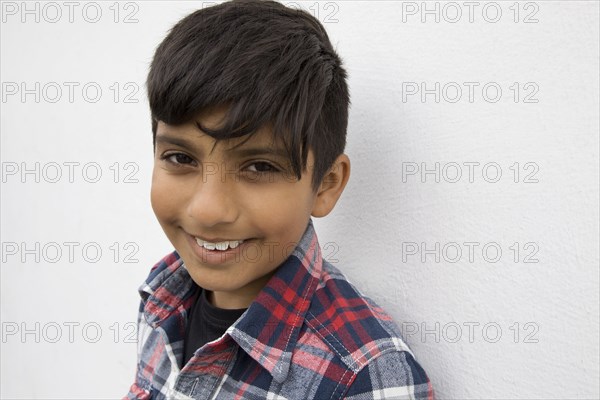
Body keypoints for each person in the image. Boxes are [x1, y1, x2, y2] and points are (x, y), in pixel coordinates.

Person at [126, 1, 433, 398]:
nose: (207, 209)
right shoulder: (163, 293)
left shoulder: (364, 376)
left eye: (258, 167)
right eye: (181, 158)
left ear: (325, 185)